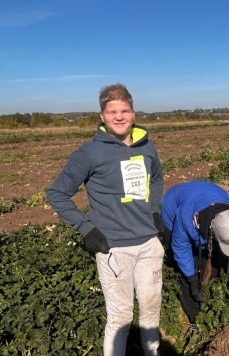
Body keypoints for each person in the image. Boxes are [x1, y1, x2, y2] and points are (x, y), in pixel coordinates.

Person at [46, 84, 165, 356]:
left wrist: (155, 211)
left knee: (150, 312)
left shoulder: (147, 147)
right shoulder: (90, 153)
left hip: (149, 244)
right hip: (114, 249)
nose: (119, 117)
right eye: (112, 112)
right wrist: (86, 229)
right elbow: (57, 193)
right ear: (102, 116)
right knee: (121, 319)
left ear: (134, 113)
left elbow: (157, 177)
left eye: (125, 110)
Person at [160, 180, 229, 327]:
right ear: (212, 232)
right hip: (173, 210)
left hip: (205, 194)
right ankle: (195, 319)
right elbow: (180, 249)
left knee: (214, 259)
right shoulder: (187, 219)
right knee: (187, 266)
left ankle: (207, 284)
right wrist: (192, 281)